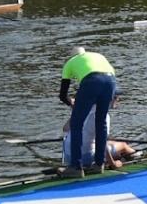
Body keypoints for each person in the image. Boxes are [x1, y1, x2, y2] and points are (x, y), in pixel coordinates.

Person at [56, 47, 118, 179]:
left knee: (77, 124)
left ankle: (76, 167)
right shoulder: (97, 55)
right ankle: (99, 164)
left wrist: (71, 103)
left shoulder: (70, 63)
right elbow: (108, 74)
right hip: (111, 81)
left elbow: (62, 95)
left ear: (72, 57)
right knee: (101, 122)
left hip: (92, 82)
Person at [62, 91, 135, 170]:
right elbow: (102, 144)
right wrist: (113, 164)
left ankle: (124, 155)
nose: (118, 99)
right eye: (115, 97)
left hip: (69, 157)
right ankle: (137, 155)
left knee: (110, 142)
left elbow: (65, 128)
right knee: (123, 145)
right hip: (85, 158)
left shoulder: (82, 110)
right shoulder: (103, 116)